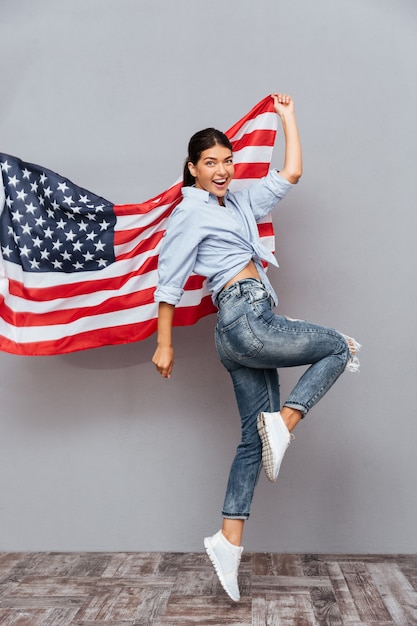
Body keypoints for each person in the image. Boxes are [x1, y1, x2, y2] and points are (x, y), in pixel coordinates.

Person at [152, 93, 360, 602]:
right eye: (210, 163)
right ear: (193, 168)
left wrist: (288, 117)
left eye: (226, 161)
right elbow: (169, 282)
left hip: (243, 331)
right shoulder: (189, 214)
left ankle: (228, 540)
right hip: (244, 318)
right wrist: (164, 344)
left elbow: (290, 174)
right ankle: (285, 423)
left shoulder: (241, 201)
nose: (221, 170)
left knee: (252, 443)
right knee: (339, 346)